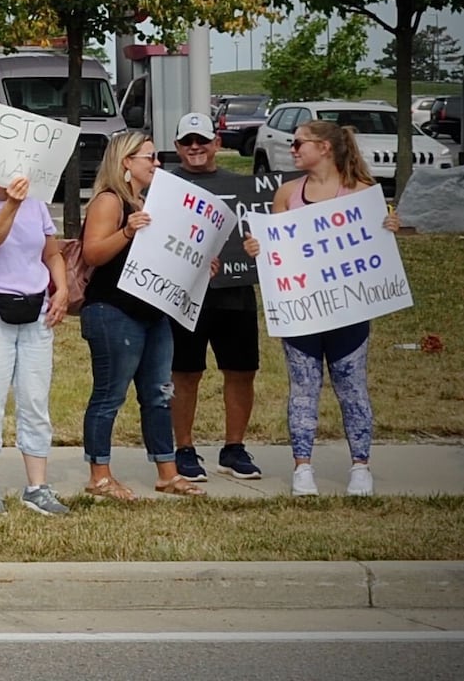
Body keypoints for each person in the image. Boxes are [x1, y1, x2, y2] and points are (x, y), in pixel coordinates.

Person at [243, 118, 398, 497]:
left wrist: (388, 228)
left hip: (348, 310)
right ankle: (302, 468)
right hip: (302, 310)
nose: (293, 149)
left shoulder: (362, 193)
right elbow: (276, 246)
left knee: (352, 388)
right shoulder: (287, 193)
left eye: (299, 144)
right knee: (303, 389)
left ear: (324, 148)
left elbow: (373, 250)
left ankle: (360, 467)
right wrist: (258, 249)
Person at [80, 131, 205, 501]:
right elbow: (93, 254)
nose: (156, 163)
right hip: (114, 311)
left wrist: (198, 266)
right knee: (109, 394)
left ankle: (168, 473)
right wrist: (126, 232)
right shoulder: (110, 201)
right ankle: (99, 474)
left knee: (159, 394)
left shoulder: (145, 202)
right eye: (148, 157)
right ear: (126, 163)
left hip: (153, 311)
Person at [0, 173, 73, 516]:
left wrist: (61, 289)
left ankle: (37, 486)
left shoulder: (36, 204)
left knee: (35, 398)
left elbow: (51, 254)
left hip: (34, 308)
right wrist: (12, 203)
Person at [165, 113, 265, 482]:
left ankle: (234, 448)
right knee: (185, 372)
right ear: (177, 147)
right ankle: (184, 449)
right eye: (187, 142)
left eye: (202, 141)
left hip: (235, 291)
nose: (195, 148)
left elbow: (274, 235)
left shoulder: (244, 187)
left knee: (241, 371)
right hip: (183, 293)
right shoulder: (165, 187)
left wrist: (260, 246)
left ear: (217, 144)